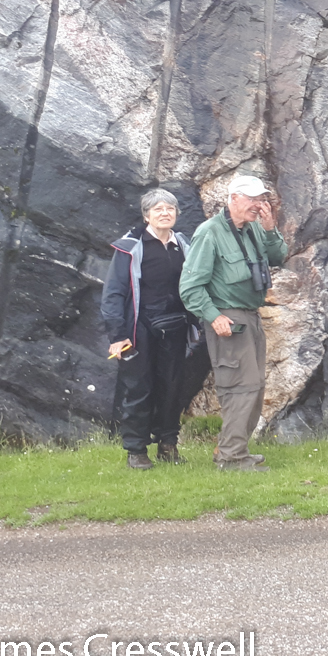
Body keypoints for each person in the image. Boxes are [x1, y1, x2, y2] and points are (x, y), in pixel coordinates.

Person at [179, 173, 289, 472]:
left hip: (251, 316)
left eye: (262, 199)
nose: (259, 204)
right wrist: (213, 317)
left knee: (253, 385)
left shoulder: (253, 229)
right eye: (253, 199)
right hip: (229, 317)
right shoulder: (210, 232)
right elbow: (190, 286)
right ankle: (232, 457)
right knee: (242, 386)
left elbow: (279, 257)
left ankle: (232, 449)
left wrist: (269, 228)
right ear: (234, 199)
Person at [101, 189, 193, 470]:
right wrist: (118, 335)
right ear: (146, 215)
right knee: (138, 388)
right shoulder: (130, 247)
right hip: (137, 329)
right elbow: (113, 293)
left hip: (175, 326)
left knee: (172, 387)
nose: (165, 213)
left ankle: (168, 445)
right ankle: (136, 450)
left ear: (176, 213)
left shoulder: (184, 245)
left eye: (170, 208)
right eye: (158, 209)